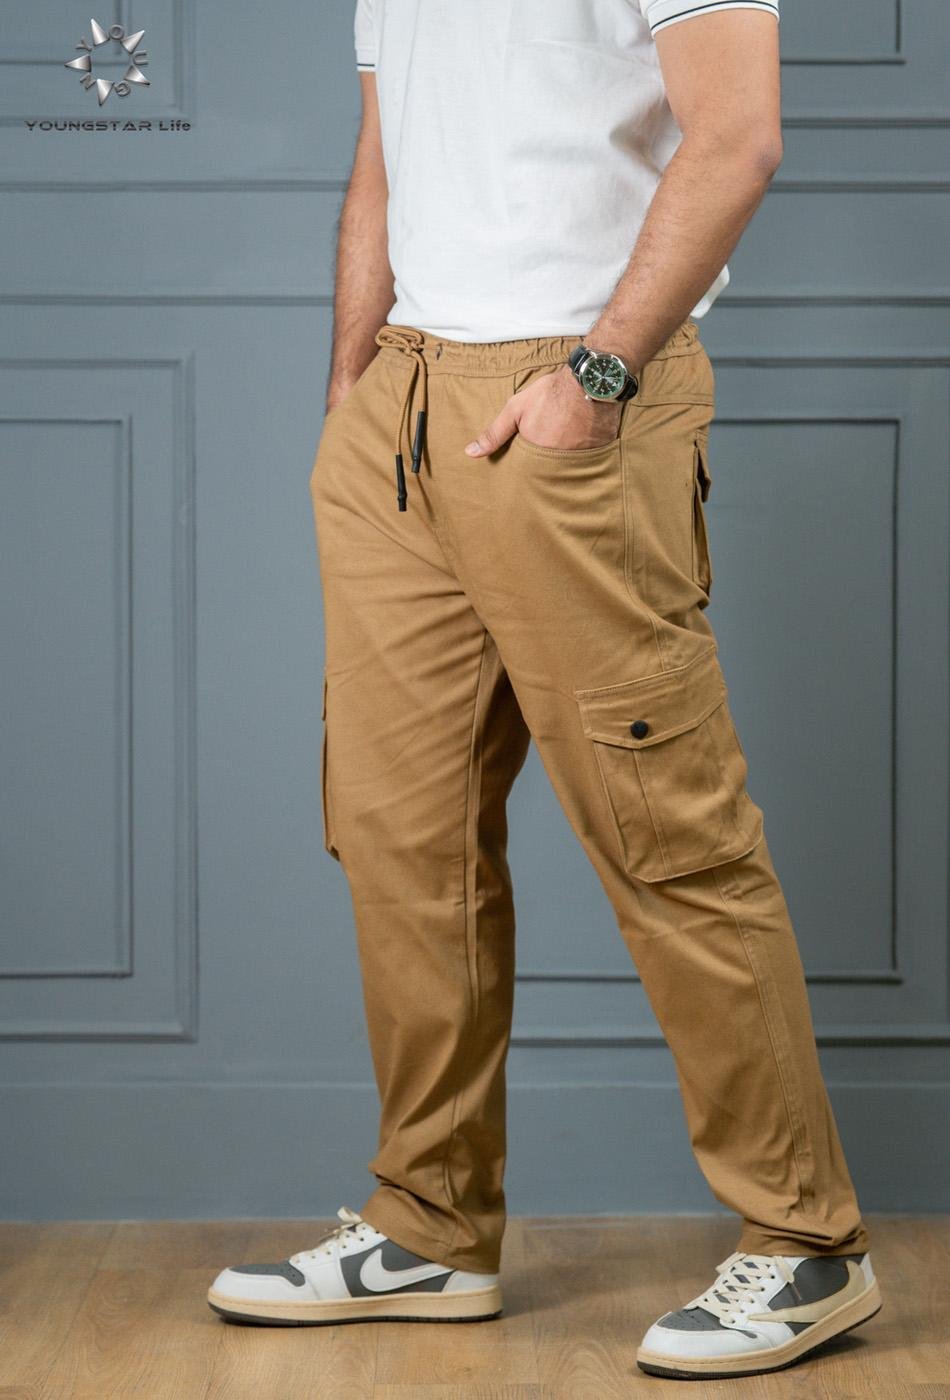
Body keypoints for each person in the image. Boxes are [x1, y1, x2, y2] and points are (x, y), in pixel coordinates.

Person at [207, 0, 882, 1378]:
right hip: (400, 406)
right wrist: (352, 385)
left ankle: (807, 1239)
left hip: (572, 398)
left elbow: (738, 135)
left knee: (665, 828)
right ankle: (430, 1226)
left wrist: (595, 376)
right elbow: (384, 157)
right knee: (400, 837)